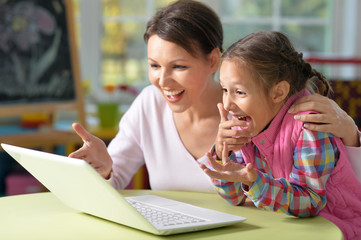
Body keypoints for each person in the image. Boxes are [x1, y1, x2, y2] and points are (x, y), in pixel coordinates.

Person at [69, 0, 360, 193]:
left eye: (179, 66)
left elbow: (332, 186)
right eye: (154, 65)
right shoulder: (149, 104)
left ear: (213, 61)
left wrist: (351, 136)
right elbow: (114, 180)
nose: (163, 80)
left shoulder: (256, 108)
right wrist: (105, 169)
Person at [200, 31, 361, 240]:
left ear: (278, 93)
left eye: (239, 92)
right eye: (224, 89)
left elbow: (310, 202)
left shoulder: (310, 126)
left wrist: (256, 182)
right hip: (288, 229)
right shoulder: (246, 125)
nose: (228, 104)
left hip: (338, 229)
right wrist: (224, 154)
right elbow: (234, 197)